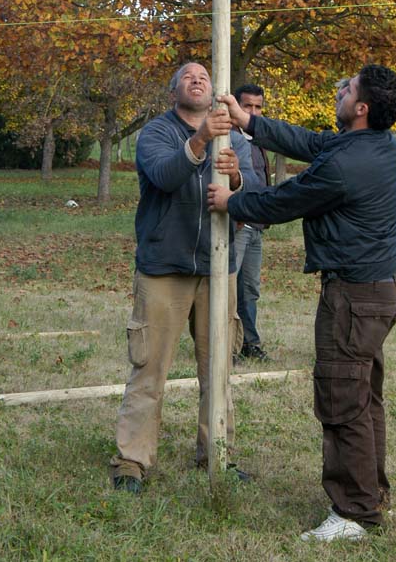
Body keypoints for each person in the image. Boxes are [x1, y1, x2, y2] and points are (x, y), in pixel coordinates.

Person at [208, 64, 396, 541]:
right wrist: (248, 121)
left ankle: (355, 513)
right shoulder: (376, 144)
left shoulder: (345, 165)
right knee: (364, 397)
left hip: (353, 298)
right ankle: (369, 492)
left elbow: (285, 201)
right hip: (377, 292)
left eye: (348, 87)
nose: (339, 87)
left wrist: (231, 202)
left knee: (343, 399)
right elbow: (310, 143)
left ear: (360, 108)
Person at [110, 62, 258, 494]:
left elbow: (250, 196)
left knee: (219, 369)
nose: (197, 79)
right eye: (188, 76)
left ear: (214, 90)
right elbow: (164, 176)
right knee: (148, 367)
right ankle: (131, 462)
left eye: (204, 76)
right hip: (164, 268)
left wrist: (234, 177)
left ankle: (218, 454)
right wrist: (201, 139)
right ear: (174, 90)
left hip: (219, 268)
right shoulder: (156, 133)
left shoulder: (235, 137)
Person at [233, 84, 272, 362]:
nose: (253, 112)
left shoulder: (257, 139)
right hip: (234, 225)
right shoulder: (225, 138)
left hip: (256, 225)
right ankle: (227, 346)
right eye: (248, 106)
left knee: (250, 289)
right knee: (226, 287)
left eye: (258, 107)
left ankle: (250, 343)